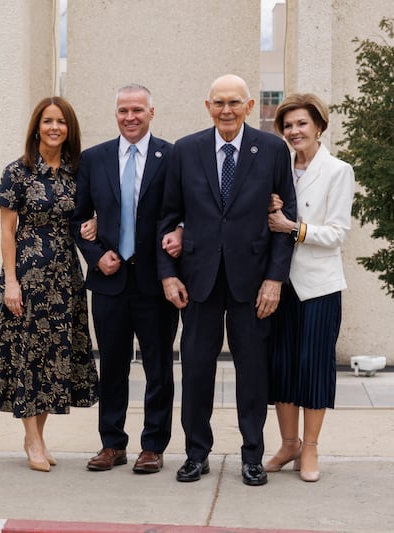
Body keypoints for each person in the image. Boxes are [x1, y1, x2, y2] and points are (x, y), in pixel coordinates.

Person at [157, 74, 297, 486]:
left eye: (235, 102)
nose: (227, 110)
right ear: (207, 106)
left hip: (253, 285)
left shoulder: (272, 150)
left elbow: (283, 221)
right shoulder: (186, 150)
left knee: (252, 373)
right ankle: (196, 453)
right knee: (196, 371)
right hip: (197, 280)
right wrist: (168, 275)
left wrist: (275, 280)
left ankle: (252, 455)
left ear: (250, 106)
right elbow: (166, 219)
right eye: (219, 102)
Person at [0, 96, 99, 472]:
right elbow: (7, 232)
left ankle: (38, 436)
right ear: (37, 127)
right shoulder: (18, 172)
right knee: (28, 354)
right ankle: (32, 438)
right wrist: (11, 281)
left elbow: (83, 219)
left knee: (52, 358)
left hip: (64, 276)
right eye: (48, 121)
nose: (55, 127)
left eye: (61, 122)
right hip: (27, 274)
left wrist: (94, 225)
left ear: (69, 129)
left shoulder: (78, 173)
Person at [72, 84, 179, 474]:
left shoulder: (173, 156)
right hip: (110, 283)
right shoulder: (93, 159)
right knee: (113, 366)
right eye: (122, 110)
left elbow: (183, 209)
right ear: (115, 114)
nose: (129, 117)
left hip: (156, 281)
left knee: (158, 368)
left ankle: (153, 445)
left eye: (137, 109)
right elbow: (77, 218)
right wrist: (98, 258)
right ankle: (112, 444)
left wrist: (181, 231)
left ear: (152, 112)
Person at [264, 93, 355, 482]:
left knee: (313, 366)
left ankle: (311, 448)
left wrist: (292, 228)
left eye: (301, 123)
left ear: (319, 126)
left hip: (319, 286)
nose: (294, 131)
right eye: (287, 125)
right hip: (280, 283)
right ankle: (289, 444)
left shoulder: (338, 170)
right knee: (282, 365)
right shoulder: (278, 168)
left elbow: (338, 234)